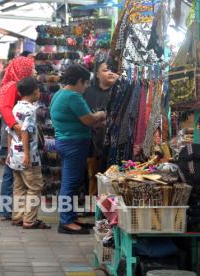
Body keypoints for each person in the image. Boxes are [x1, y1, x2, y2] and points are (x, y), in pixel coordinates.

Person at [50, 65, 106, 235]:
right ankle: (66, 221)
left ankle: (71, 216)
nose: (86, 86)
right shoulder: (74, 96)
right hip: (74, 143)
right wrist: (101, 115)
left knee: (71, 181)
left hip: (64, 141)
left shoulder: (59, 94)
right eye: (85, 82)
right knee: (71, 183)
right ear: (80, 81)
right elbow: (88, 119)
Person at [7, 77, 51, 229]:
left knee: (19, 187)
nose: (39, 92)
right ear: (34, 92)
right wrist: (27, 154)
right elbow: (25, 131)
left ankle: (18, 217)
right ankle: (29, 220)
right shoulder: (31, 110)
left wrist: (9, 152)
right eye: (38, 90)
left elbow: (10, 129)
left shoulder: (16, 107)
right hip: (28, 156)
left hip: (15, 154)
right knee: (35, 186)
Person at [0, 56, 36, 221]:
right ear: (23, 69)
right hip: (14, 136)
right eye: (31, 68)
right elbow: (4, 107)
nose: (33, 71)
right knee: (10, 174)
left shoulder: (12, 84)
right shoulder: (14, 85)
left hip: (14, 135)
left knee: (13, 174)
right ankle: (6, 211)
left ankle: (10, 212)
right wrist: (16, 126)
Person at [84, 60, 119, 196]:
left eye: (113, 70)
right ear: (97, 74)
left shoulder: (120, 91)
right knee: (92, 176)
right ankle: (92, 207)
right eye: (106, 70)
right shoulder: (88, 91)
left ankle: (107, 209)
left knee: (111, 176)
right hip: (91, 141)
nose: (110, 73)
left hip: (112, 142)